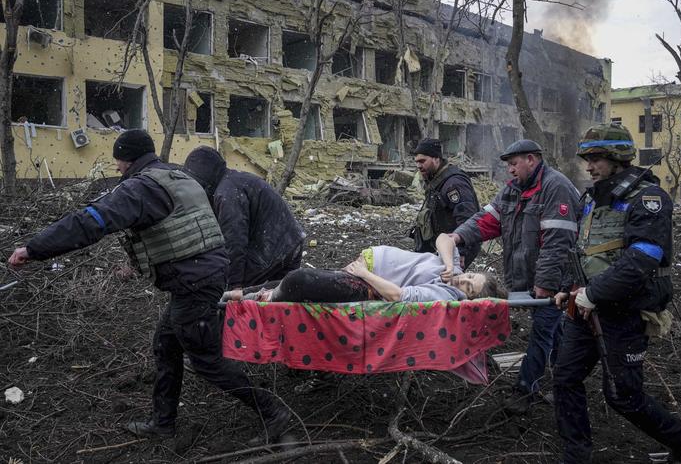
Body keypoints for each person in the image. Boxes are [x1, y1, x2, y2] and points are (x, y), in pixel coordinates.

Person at [7, 130, 289, 443]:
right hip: (202, 276)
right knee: (166, 344)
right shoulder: (175, 175)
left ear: (127, 160)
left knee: (206, 360)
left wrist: (34, 249)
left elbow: (91, 222)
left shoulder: (141, 188)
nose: (116, 168)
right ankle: (162, 423)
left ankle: (273, 413)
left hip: (194, 281)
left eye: (118, 161)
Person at [552, 123, 681, 463]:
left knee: (622, 394)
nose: (589, 167)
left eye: (596, 160)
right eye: (587, 160)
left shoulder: (648, 199)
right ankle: (576, 456)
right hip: (586, 309)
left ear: (618, 158)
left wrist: (595, 293)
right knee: (565, 378)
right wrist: (567, 288)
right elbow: (583, 250)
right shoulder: (593, 199)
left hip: (625, 312)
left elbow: (642, 259)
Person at [450, 139, 580, 414]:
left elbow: (558, 243)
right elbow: (486, 220)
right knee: (558, 331)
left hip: (559, 282)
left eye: (513, 164)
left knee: (543, 332)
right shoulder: (512, 191)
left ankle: (525, 389)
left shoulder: (556, 188)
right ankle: (566, 382)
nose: (509, 170)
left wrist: (544, 285)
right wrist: (457, 236)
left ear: (531, 160)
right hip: (531, 281)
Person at [223, 233, 507, 303]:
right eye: (470, 276)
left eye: (469, 288)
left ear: (468, 299)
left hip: (368, 284)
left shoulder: (445, 296)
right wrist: (449, 263)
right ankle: (237, 294)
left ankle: (254, 298)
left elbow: (397, 295)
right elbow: (445, 238)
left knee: (300, 280)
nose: (463, 282)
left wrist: (364, 273)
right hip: (366, 268)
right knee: (297, 280)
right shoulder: (452, 271)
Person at [183, 146, 305, 290]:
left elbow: (234, 241)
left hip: (275, 248)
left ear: (204, 181)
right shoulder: (233, 181)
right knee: (276, 299)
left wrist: (234, 285)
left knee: (226, 292)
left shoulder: (227, 193)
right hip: (289, 241)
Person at [411, 138, 481, 268]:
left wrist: (460, 251)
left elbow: (467, 218)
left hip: (455, 248)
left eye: (422, 161)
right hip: (442, 246)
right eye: (416, 162)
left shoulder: (453, 183)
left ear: (436, 159)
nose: (419, 166)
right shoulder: (436, 180)